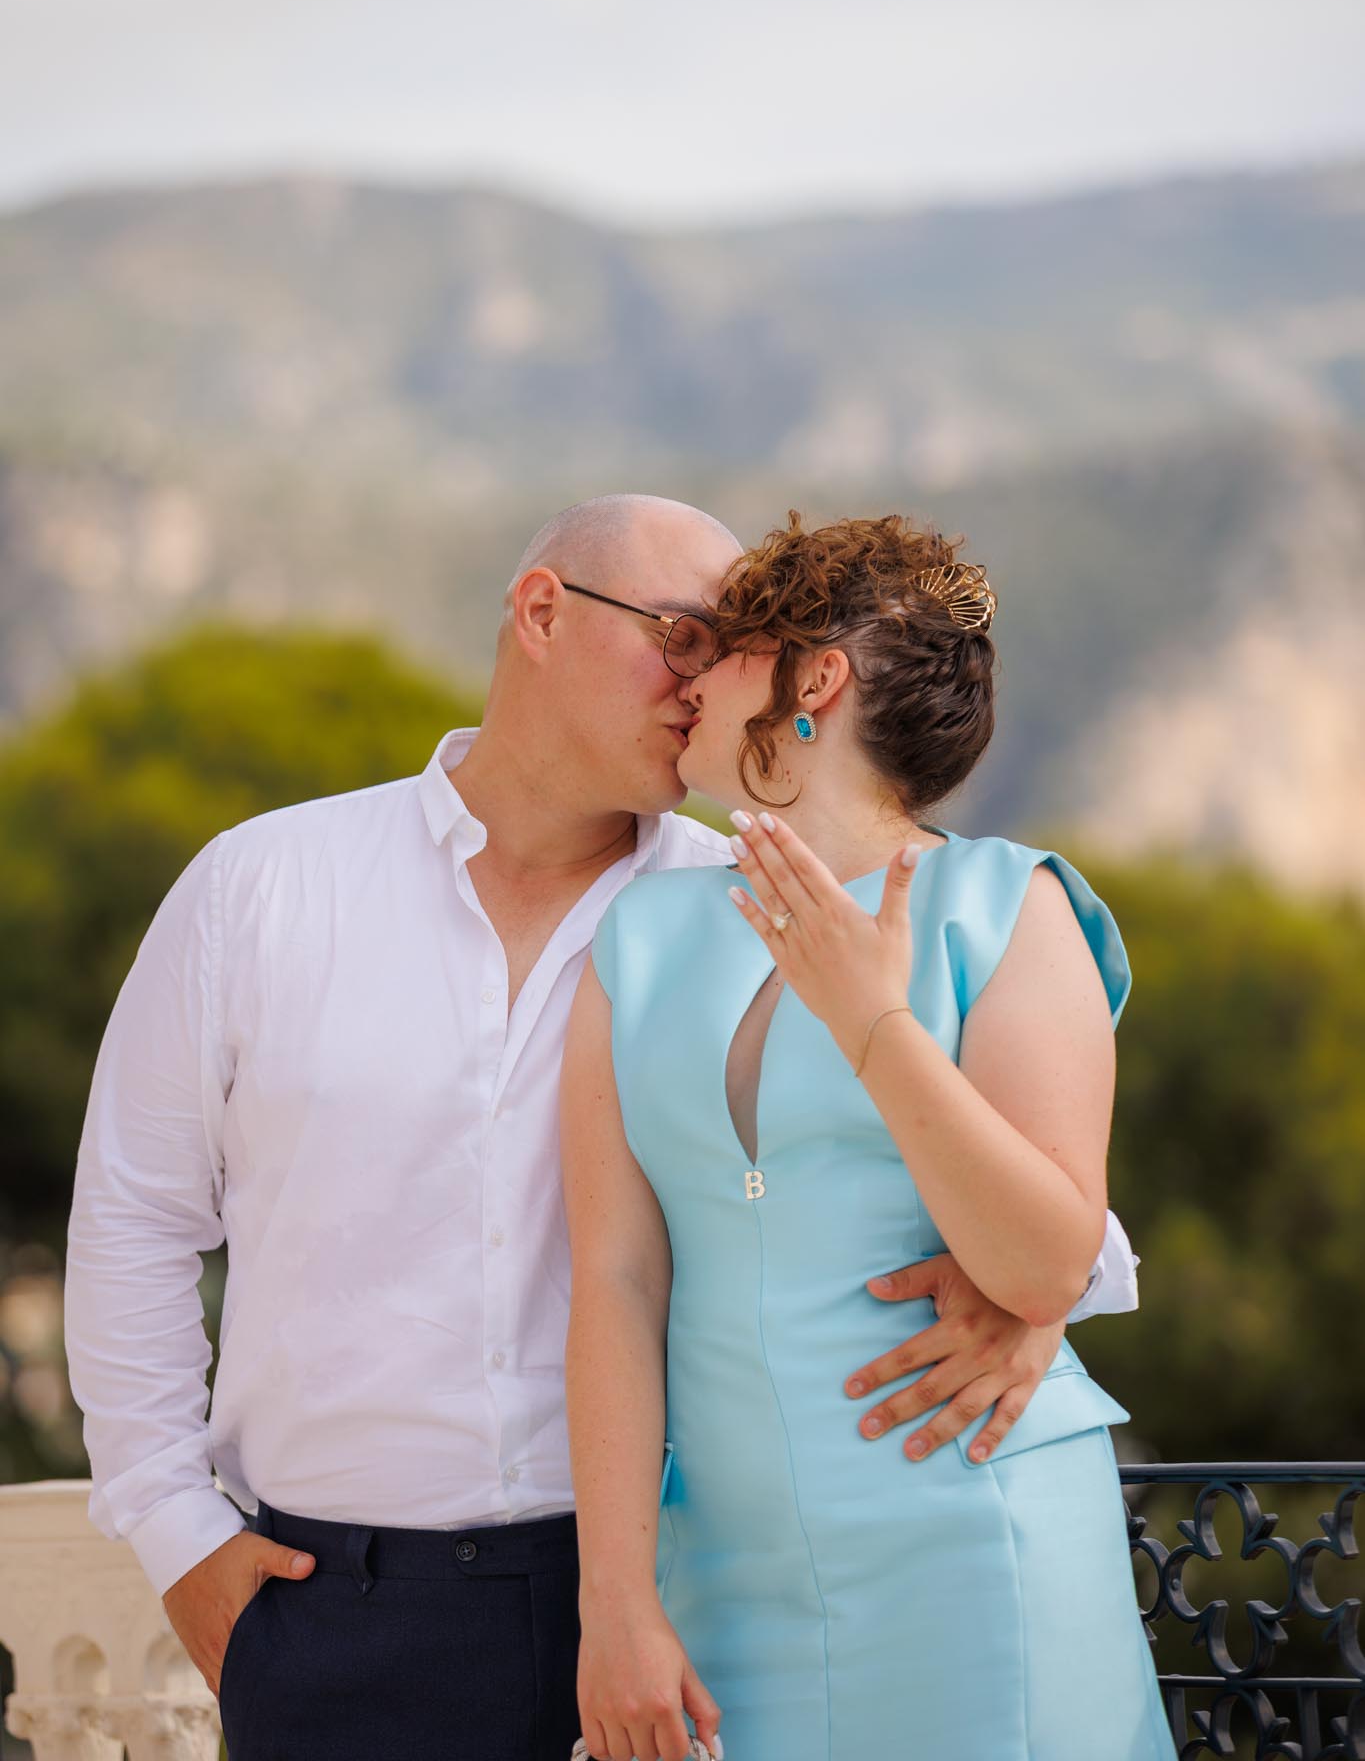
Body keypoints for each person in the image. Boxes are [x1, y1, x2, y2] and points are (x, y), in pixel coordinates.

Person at [65, 494, 1140, 1761]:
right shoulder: (265, 887)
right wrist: (177, 1531)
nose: (698, 681)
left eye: (726, 647)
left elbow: (1027, 1201)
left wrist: (1040, 1300)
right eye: (682, 635)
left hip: (676, 1593)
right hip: (339, 1604)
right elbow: (134, 1219)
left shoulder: (755, 893)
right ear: (541, 612)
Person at [562, 510, 1177, 1761]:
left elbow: (1044, 1265)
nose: (691, 672)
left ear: (814, 680)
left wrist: (873, 1021)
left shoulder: (1012, 907)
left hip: (979, 1545)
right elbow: (616, 1277)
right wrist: (614, 1599)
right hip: (722, 1585)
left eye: (728, 642)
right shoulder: (636, 939)